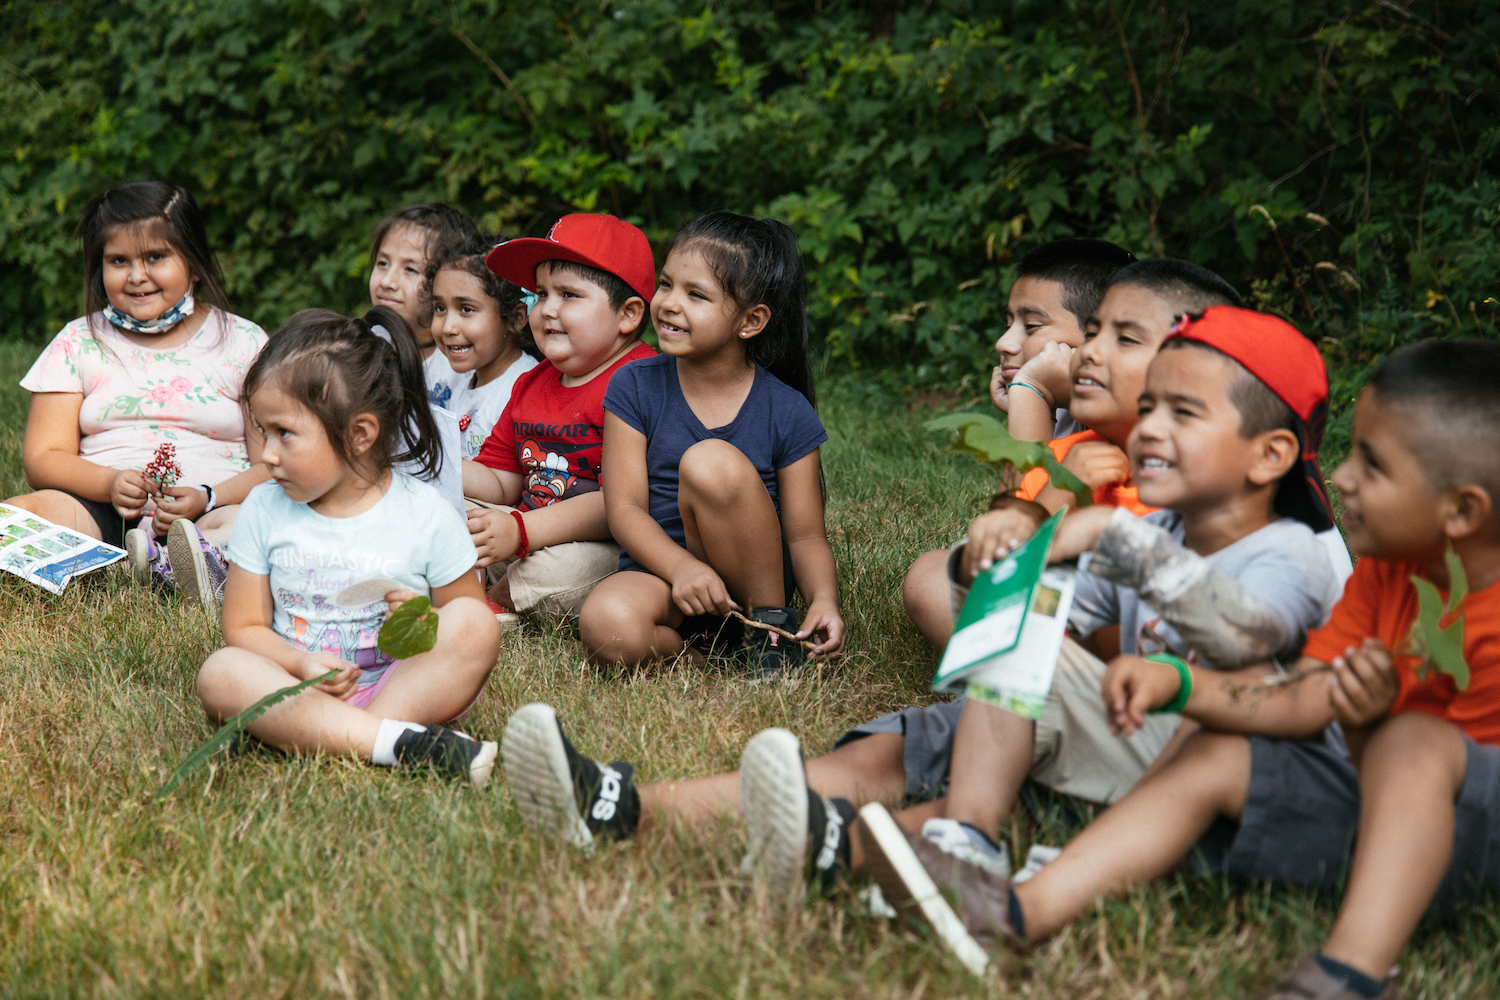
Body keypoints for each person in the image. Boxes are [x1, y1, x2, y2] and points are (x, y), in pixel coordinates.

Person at [858, 338, 1500, 1000]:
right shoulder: (1388, 576)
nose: (1343, 476)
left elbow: (1403, 749)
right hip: (1361, 816)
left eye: (1373, 463)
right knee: (1235, 724)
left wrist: (1383, 732)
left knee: (1414, 736)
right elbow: (1304, 700)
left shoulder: (1310, 558)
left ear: (1462, 510)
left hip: (1468, 841)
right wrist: (1181, 684)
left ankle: (1350, 974)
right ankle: (1016, 912)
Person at [856, 304, 1341, 915]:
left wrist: (1115, 531)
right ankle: (968, 837)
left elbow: (1249, 636)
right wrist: (1006, 555)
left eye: (1183, 413)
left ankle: (1085, 853)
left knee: (1230, 682)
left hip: (1220, 773)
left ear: (1269, 456)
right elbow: (1040, 615)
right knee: (1028, 621)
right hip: (1137, 740)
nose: (1150, 430)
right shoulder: (1164, 525)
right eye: (1149, 409)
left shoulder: (1292, 549)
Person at [194, 307, 501, 785]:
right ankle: (392, 743)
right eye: (263, 432)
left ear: (359, 434)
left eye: (285, 434)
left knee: (476, 625)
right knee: (221, 671)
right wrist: (299, 663)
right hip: (299, 688)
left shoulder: (423, 513)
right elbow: (244, 627)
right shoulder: (262, 508)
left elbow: (459, 614)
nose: (267, 455)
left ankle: (351, 733)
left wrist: (419, 614)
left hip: (403, 686)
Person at [903, 258, 1244, 649]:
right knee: (930, 575)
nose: (1090, 351)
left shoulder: (1208, 474)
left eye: (1126, 339)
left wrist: (1030, 392)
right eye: (1094, 333)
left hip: (1161, 662)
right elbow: (1003, 558)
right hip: (1074, 645)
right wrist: (1058, 489)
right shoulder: (1075, 450)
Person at [580, 211, 845, 672]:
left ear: (751, 321)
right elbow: (623, 509)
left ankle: (768, 638)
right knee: (608, 624)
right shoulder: (633, 386)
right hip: (663, 576)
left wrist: (824, 599)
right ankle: (696, 655)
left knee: (709, 461)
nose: (668, 303)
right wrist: (680, 568)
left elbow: (805, 536)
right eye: (666, 284)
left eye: (696, 294)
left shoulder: (786, 410)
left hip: (750, 587)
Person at [6, 180, 268, 608]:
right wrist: (108, 483)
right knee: (22, 515)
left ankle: (190, 564)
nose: (136, 275)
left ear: (196, 263)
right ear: (99, 267)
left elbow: (274, 463)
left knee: (247, 525)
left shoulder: (243, 342)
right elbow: (42, 456)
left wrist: (209, 495)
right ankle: (113, 562)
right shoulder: (78, 341)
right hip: (99, 510)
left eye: (156, 257)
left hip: (210, 508)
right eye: (118, 260)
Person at [465, 213, 658, 620]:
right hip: (523, 532)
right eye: (540, 294)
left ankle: (492, 600)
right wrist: (434, 464)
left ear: (628, 314)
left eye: (568, 295)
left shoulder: (643, 384)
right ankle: (462, 580)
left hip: (608, 547)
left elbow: (621, 506)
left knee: (567, 568)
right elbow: (502, 480)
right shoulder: (532, 382)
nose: (546, 310)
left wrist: (522, 532)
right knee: (446, 505)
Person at [987, 238, 1135, 443]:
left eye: (1031, 326)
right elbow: (1027, 476)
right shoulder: (1062, 408)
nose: (1002, 344)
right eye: (1008, 325)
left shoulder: (1138, 428)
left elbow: (1028, 475)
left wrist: (1030, 395)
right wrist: (1031, 409)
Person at [422, 233, 539, 461]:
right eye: (440, 308)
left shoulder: (524, 392)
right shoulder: (463, 384)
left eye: (466, 309)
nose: (447, 327)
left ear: (515, 318)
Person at [368, 203, 480, 361]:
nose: (387, 282)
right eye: (383, 263)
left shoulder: (460, 365)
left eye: (410, 270)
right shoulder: (361, 348)